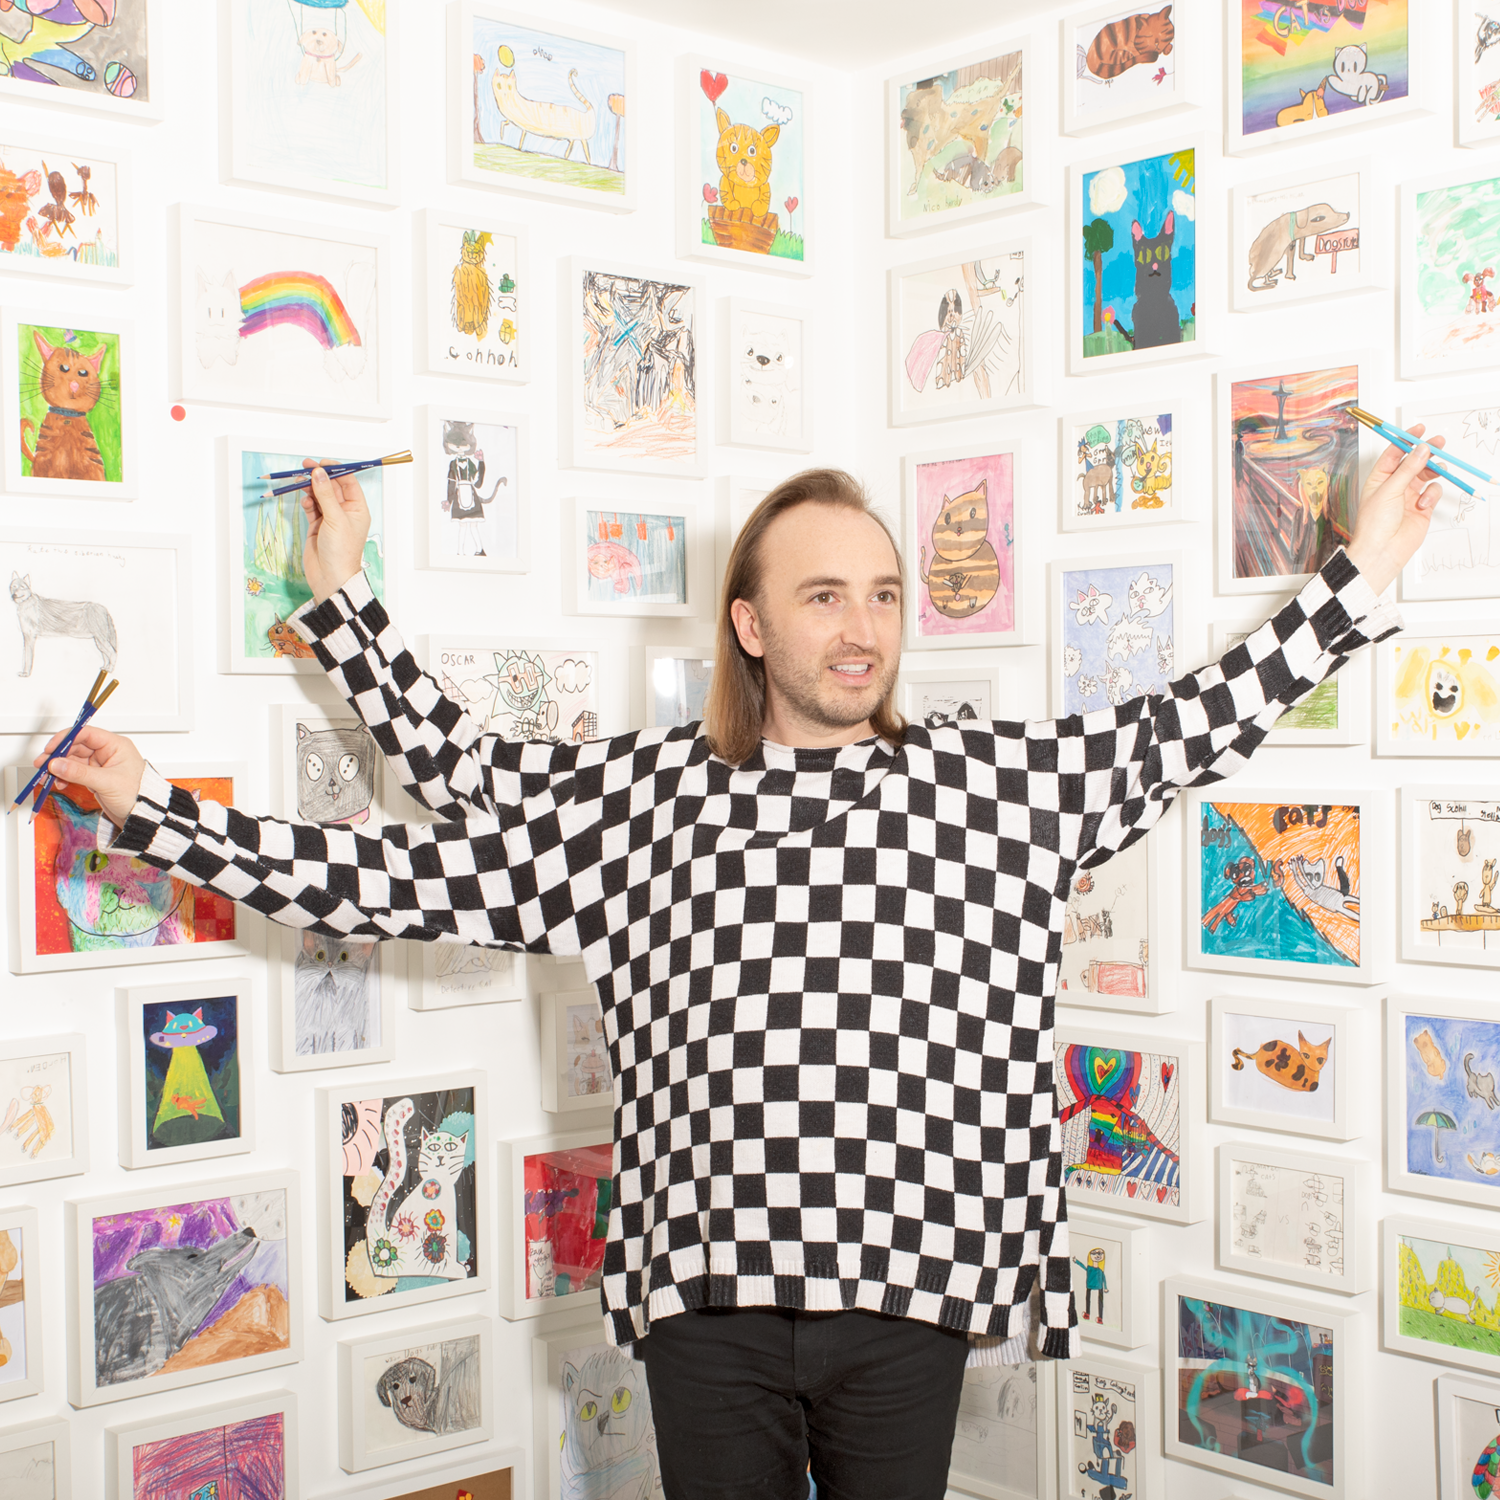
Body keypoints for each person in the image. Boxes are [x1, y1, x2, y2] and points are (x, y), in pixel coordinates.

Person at [43, 437, 1442, 1500]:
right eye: (824, 596)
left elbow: (1194, 723)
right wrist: (165, 795)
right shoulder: (645, 804)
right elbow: (422, 837)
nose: (863, 627)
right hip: (708, 1302)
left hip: (913, 1293)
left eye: (883, 594)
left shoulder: (1002, 788)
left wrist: (1360, 575)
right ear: (752, 625)